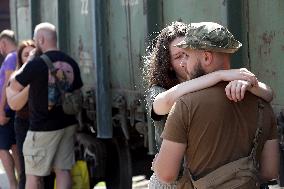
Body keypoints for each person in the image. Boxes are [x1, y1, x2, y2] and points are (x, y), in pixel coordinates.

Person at [144, 22, 274, 188]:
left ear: (204, 56)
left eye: (188, 54)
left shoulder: (213, 84)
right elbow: (166, 102)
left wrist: (247, 84)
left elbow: (268, 94)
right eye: (178, 56)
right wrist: (220, 74)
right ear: (168, 63)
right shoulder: (159, 91)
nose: (185, 61)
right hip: (177, 179)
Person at [8, 22, 83, 189]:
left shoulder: (36, 63)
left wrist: (29, 61)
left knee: (33, 175)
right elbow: (77, 91)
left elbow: (13, 85)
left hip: (42, 128)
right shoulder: (71, 62)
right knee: (63, 171)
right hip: (67, 124)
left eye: (36, 39)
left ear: (40, 39)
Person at [6, 40, 35, 189]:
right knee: (25, 169)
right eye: (26, 55)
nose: (29, 57)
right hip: (23, 123)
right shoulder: (16, 77)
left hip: (41, 124)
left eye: (32, 54)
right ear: (20, 58)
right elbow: (14, 103)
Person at [0, 29, 20, 189]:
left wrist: (0, 110)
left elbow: (8, 84)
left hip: (6, 109)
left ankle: (13, 184)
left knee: (2, 147)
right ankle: (21, 183)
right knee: (14, 146)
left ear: (3, 43)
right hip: (13, 107)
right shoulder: (17, 56)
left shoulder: (9, 58)